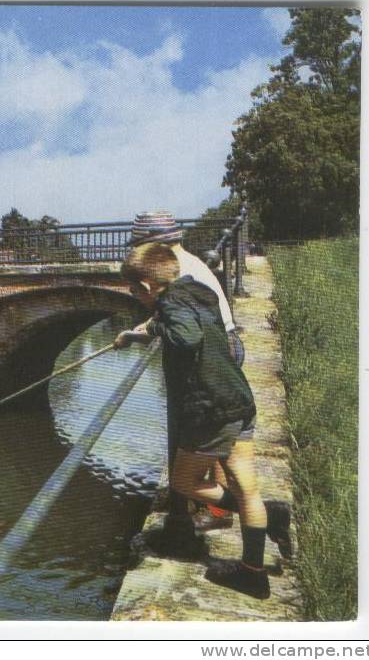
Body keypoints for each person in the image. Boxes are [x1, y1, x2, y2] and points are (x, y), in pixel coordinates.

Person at [115, 243, 290, 599]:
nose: (133, 295)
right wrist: (137, 333)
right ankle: (253, 572)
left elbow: (185, 335)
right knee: (246, 486)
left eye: (134, 290)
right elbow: (186, 321)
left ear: (148, 287)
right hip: (238, 397)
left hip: (210, 408)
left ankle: (266, 517)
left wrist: (158, 327)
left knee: (184, 482)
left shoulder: (168, 303)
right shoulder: (198, 290)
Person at [127, 211, 242, 545]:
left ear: (155, 245)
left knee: (209, 435)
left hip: (213, 352)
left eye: (140, 248)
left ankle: (217, 511)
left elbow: (185, 329)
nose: (138, 256)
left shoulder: (180, 274)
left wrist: (155, 327)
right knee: (215, 438)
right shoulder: (186, 264)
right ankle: (203, 500)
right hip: (224, 344)